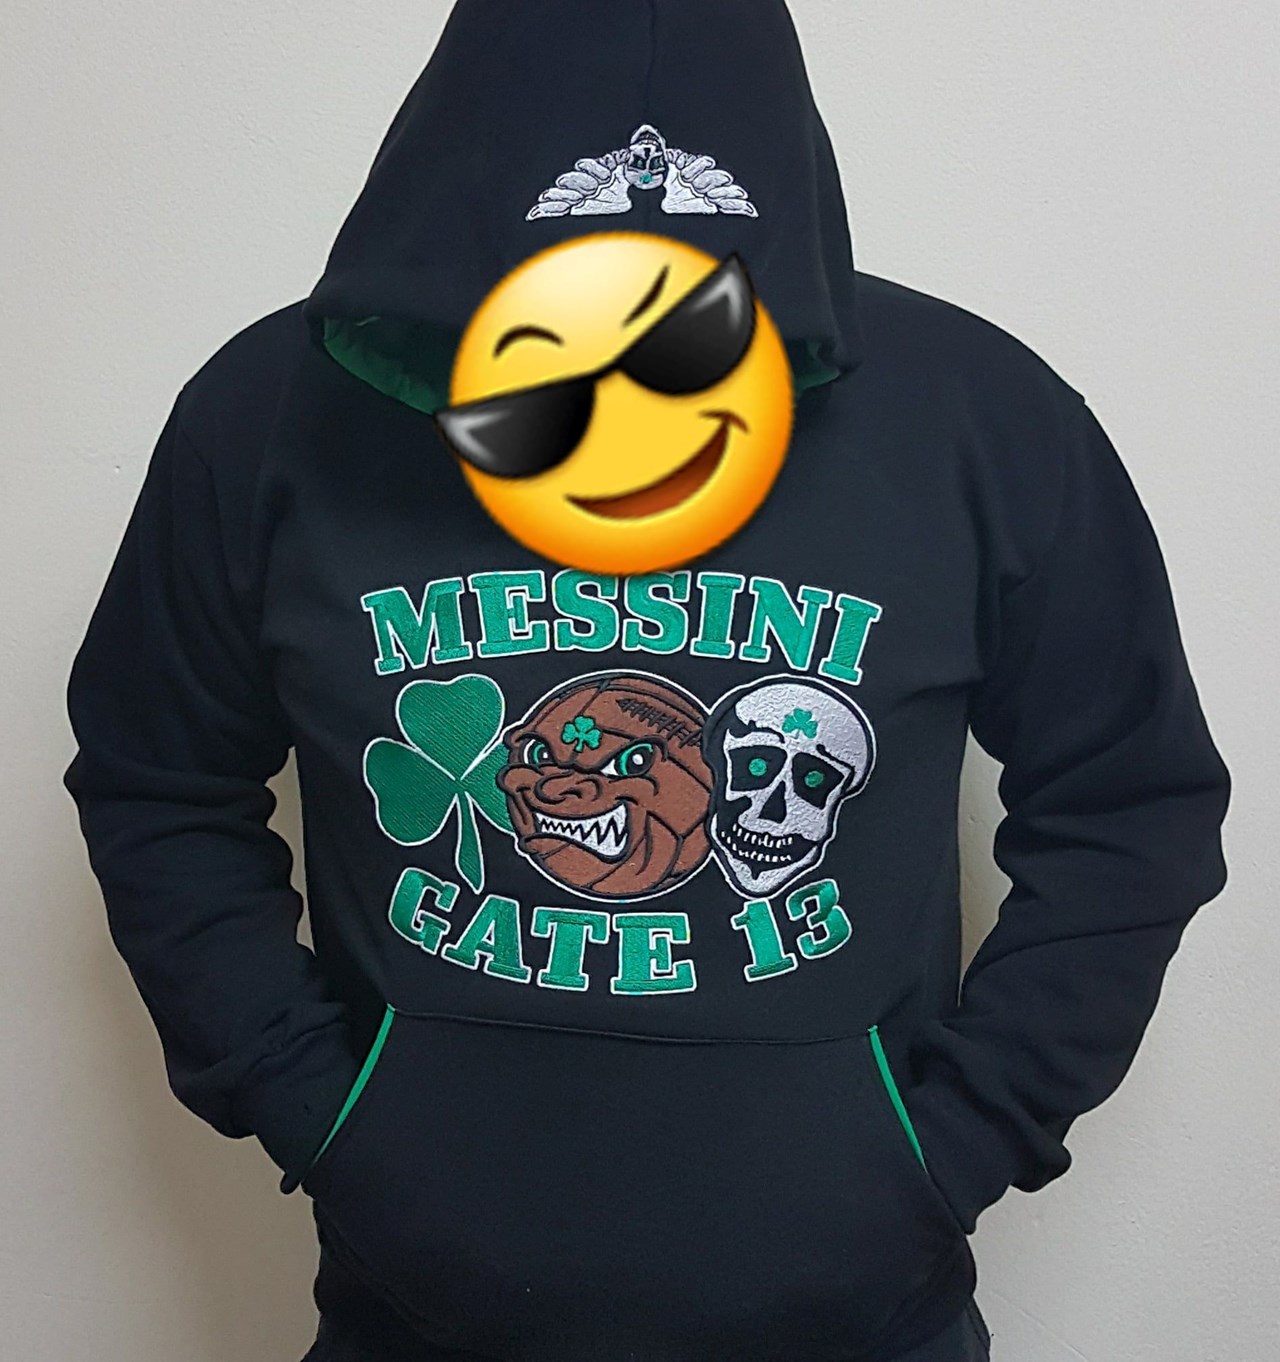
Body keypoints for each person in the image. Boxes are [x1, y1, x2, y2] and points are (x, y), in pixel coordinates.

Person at [61, 2, 1231, 1360]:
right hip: (410, 1324)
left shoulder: (978, 420)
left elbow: (1130, 801)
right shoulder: (275, 415)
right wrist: (319, 1106)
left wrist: (953, 1142)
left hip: (868, 1327)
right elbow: (160, 782)